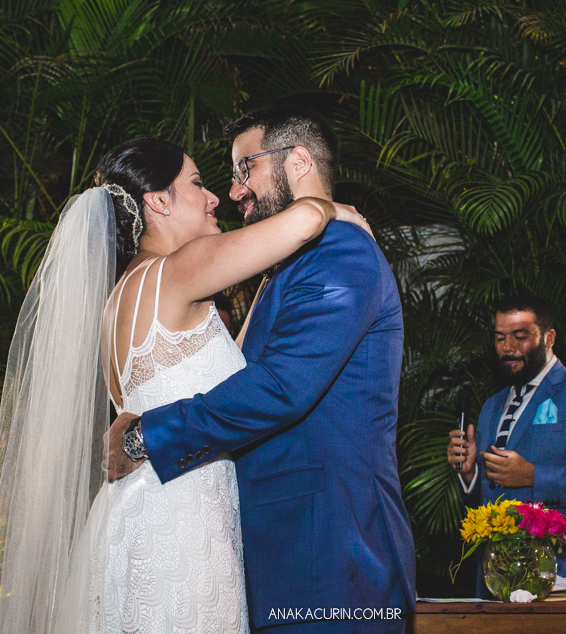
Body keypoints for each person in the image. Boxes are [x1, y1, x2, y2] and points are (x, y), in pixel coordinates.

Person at [0, 137, 372, 633]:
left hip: (133, 514)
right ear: (157, 200)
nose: (214, 196)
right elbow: (304, 221)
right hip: (181, 523)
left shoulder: (121, 297)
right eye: (196, 184)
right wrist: (335, 207)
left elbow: (228, 364)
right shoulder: (178, 270)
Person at [107, 106, 417, 632]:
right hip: (270, 551)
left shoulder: (341, 251)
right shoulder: (276, 264)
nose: (231, 192)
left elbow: (282, 387)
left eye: (242, 168)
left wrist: (145, 438)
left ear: (297, 160)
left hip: (332, 555)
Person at [446, 294, 566, 601]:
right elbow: (490, 495)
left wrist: (533, 475)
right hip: (499, 582)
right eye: (500, 338)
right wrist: (469, 475)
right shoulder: (492, 406)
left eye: (521, 336)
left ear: (549, 338)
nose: (509, 347)